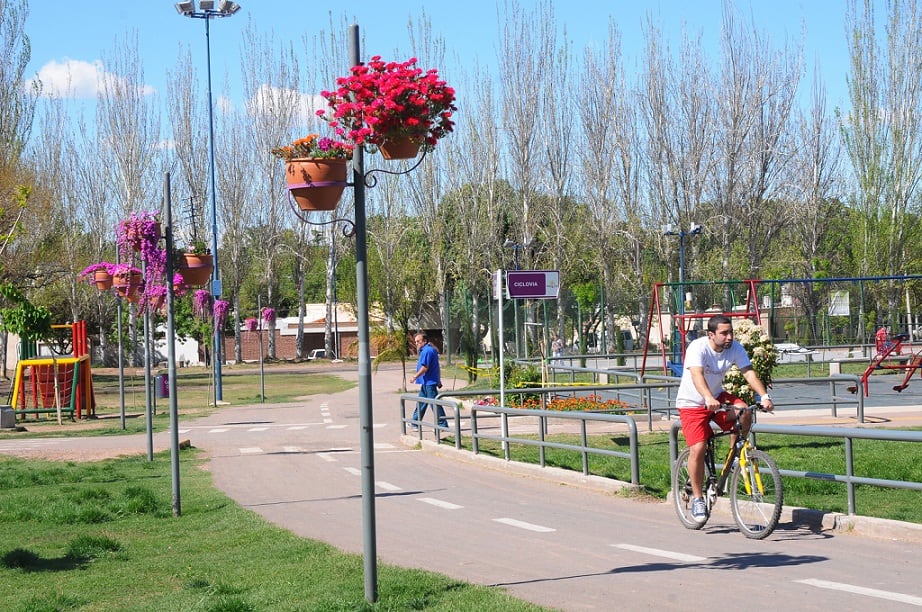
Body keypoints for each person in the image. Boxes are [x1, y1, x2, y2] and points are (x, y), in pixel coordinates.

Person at [676, 314, 774, 523]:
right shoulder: (698, 347)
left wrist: (764, 396)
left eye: (731, 332)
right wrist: (707, 397)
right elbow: (697, 375)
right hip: (692, 403)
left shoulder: (735, 348)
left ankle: (736, 455)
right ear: (711, 335)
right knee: (699, 448)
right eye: (724, 333)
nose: (729, 337)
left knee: (744, 411)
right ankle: (698, 499)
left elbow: (748, 373)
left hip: (717, 398)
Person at [409, 332, 446, 428]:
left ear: (424, 341)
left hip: (429, 382)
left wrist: (415, 377)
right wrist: (438, 380)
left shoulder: (427, 351)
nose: (416, 343)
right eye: (415, 342)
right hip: (426, 382)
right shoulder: (427, 350)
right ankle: (415, 422)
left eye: (418, 341)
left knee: (435, 403)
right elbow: (436, 367)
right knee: (421, 402)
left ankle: (442, 424)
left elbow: (425, 367)